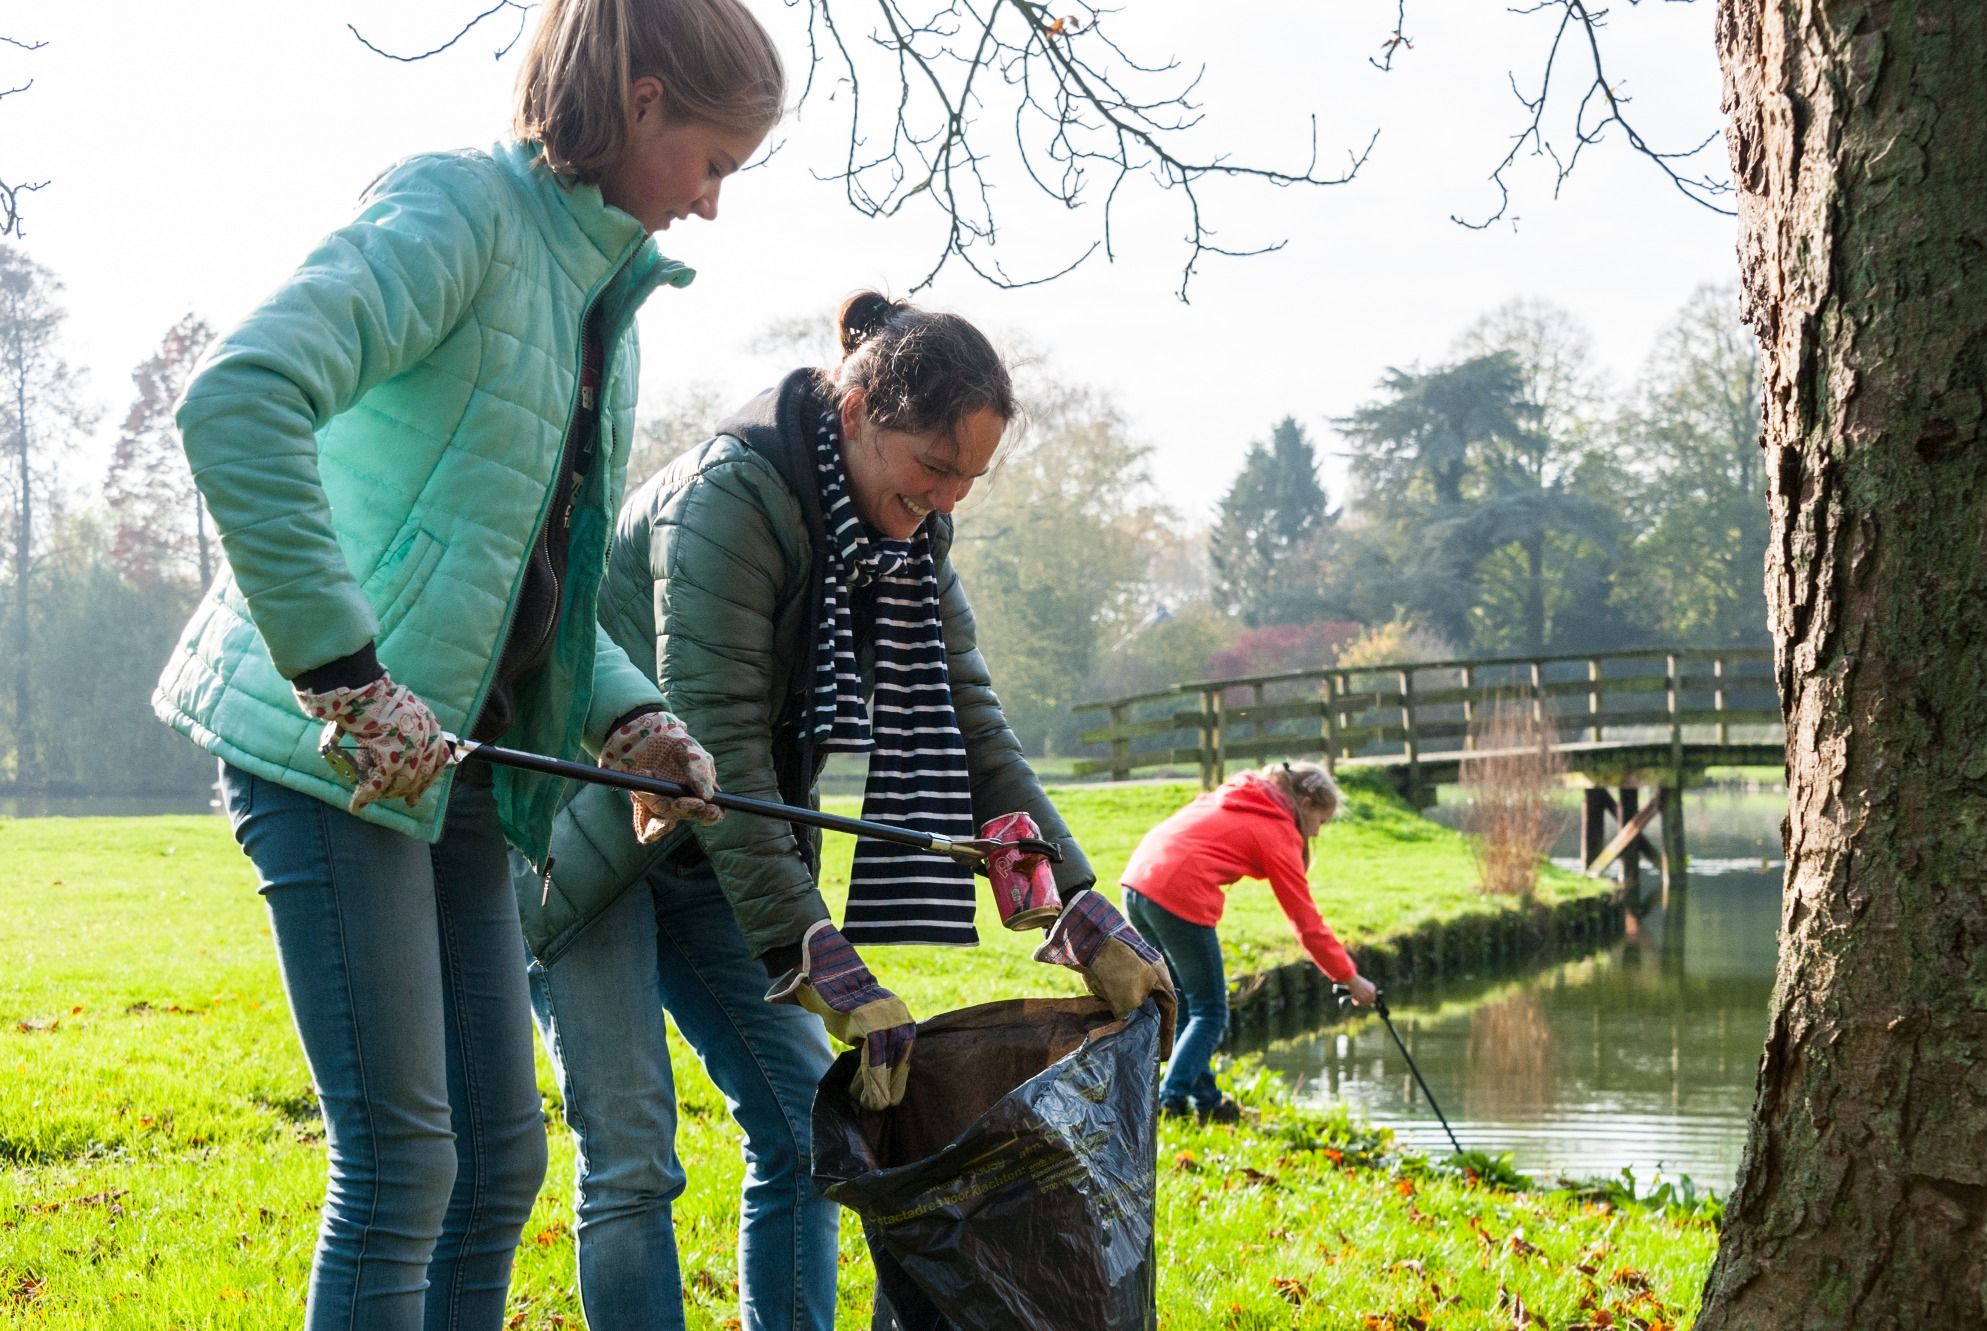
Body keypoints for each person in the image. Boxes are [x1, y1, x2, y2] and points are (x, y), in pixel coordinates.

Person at [149, 3, 783, 1325]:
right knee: (403, 1165)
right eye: (717, 162)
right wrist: (347, 678)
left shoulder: (594, 295)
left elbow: (517, 588)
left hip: (451, 775)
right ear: (648, 99)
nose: (716, 206)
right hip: (336, 754)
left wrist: (636, 722)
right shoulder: (461, 213)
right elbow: (239, 396)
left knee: (499, 1157)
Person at [517, 291, 1170, 1331]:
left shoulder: (905, 540)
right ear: (860, 408)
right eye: (933, 465)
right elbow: (718, 739)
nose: (946, 496)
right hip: (590, 837)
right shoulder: (729, 499)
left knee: (800, 1126)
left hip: (719, 848)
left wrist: (1078, 909)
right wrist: (817, 953)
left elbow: (973, 733)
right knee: (634, 1152)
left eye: (967, 477)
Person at [1121, 761, 1378, 1122]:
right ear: (1305, 804)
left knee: (1183, 1008)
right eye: (1322, 821)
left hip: (1137, 883)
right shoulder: (1275, 826)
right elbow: (1306, 923)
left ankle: (1208, 1102)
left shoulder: (1242, 794)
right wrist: (1350, 978)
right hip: (1177, 892)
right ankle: (1168, 1102)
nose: (1317, 833)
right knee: (1211, 1012)